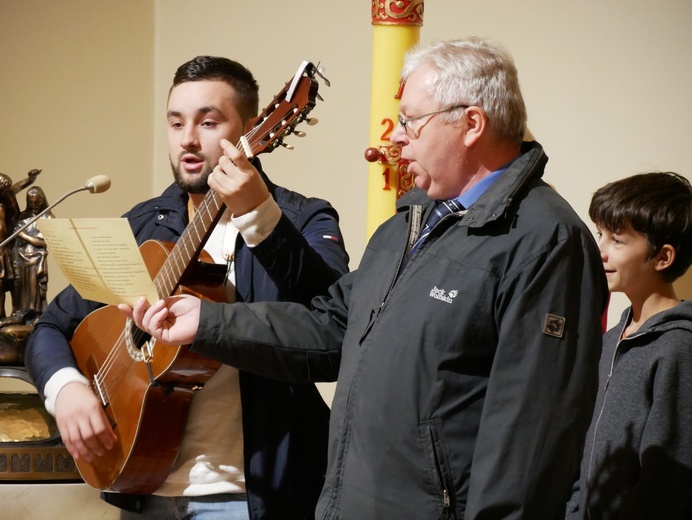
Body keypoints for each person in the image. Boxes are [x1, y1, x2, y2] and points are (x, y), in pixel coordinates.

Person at [123, 38, 609, 519]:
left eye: (410, 122)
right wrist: (207, 322)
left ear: (471, 124)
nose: (395, 138)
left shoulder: (544, 240)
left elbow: (530, 440)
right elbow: (331, 327)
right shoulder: (405, 226)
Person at [24, 55, 350, 520]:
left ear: (252, 128)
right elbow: (53, 325)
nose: (188, 140)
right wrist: (67, 389)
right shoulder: (143, 224)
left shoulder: (303, 218)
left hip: (253, 497)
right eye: (176, 123)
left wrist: (260, 216)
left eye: (208, 121)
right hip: (141, 486)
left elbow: (331, 319)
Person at [565, 172, 692, 519]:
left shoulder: (677, 349)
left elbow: (666, 481)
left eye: (617, 240)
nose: (600, 250)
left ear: (662, 257)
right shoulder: (612, 338)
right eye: (599, 235)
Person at [12, 186, 54, 323]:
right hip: (21, 259)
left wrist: (24, 236)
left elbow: (43, 243)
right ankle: (23, 314)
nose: (34, 205)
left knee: (35, 289)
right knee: (22, 289)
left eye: (37, 202)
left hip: (36, 259)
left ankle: (37, 314)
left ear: (42, 200)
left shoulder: (48, 218)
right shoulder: (22, 217)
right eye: (31, 202)